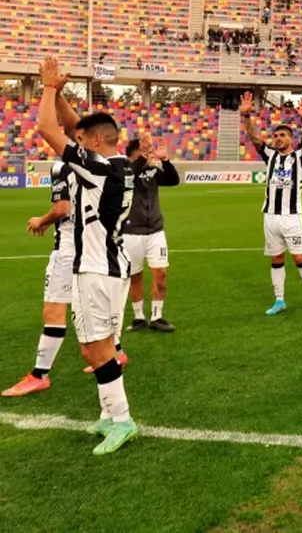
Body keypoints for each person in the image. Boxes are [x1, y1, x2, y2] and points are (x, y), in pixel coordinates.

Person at [34, 57, 138, 454]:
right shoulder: (117, 163)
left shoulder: (99, 169)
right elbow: (77, 128)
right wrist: (61, 94)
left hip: (96, 268)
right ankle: (110, 415)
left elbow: (47, 129)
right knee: (95, 347)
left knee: (97, 349)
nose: (76, 141)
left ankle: (122, 420)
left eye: (82, 139)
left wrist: (47, 88)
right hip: (110, 265)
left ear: (94, 143)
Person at [240, 92, 302, 317]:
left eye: (282, 135)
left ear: (290, 139)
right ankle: (279, 300)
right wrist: (246, 116)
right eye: (276, 135)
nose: (277, 138)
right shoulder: (270, 155)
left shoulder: (299, 157)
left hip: (292, 217)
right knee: (277, 258)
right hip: (270, 216)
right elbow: (254, 138)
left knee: (299, 258)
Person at [2, 156, 76, 397]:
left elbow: (63, 208)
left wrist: (41, 220)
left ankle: (39, 375)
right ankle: (116, 355)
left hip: (67, 252)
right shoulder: (99, 165)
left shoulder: (63, 168)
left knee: (53, 312)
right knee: (94, 311)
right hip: (97, 250)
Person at [123, 135, 180, 332]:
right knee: (134, 276)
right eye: (145, 149)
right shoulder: (125, 169)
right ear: (134, 154)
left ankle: (157, 316)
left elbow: (173, 180)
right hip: (131, 232)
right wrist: (143, 158)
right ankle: (138, 317)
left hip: (155, 230)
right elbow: (131, 174)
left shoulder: (151, 169)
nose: (150, 152)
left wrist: (165, 160)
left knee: (161, 273)